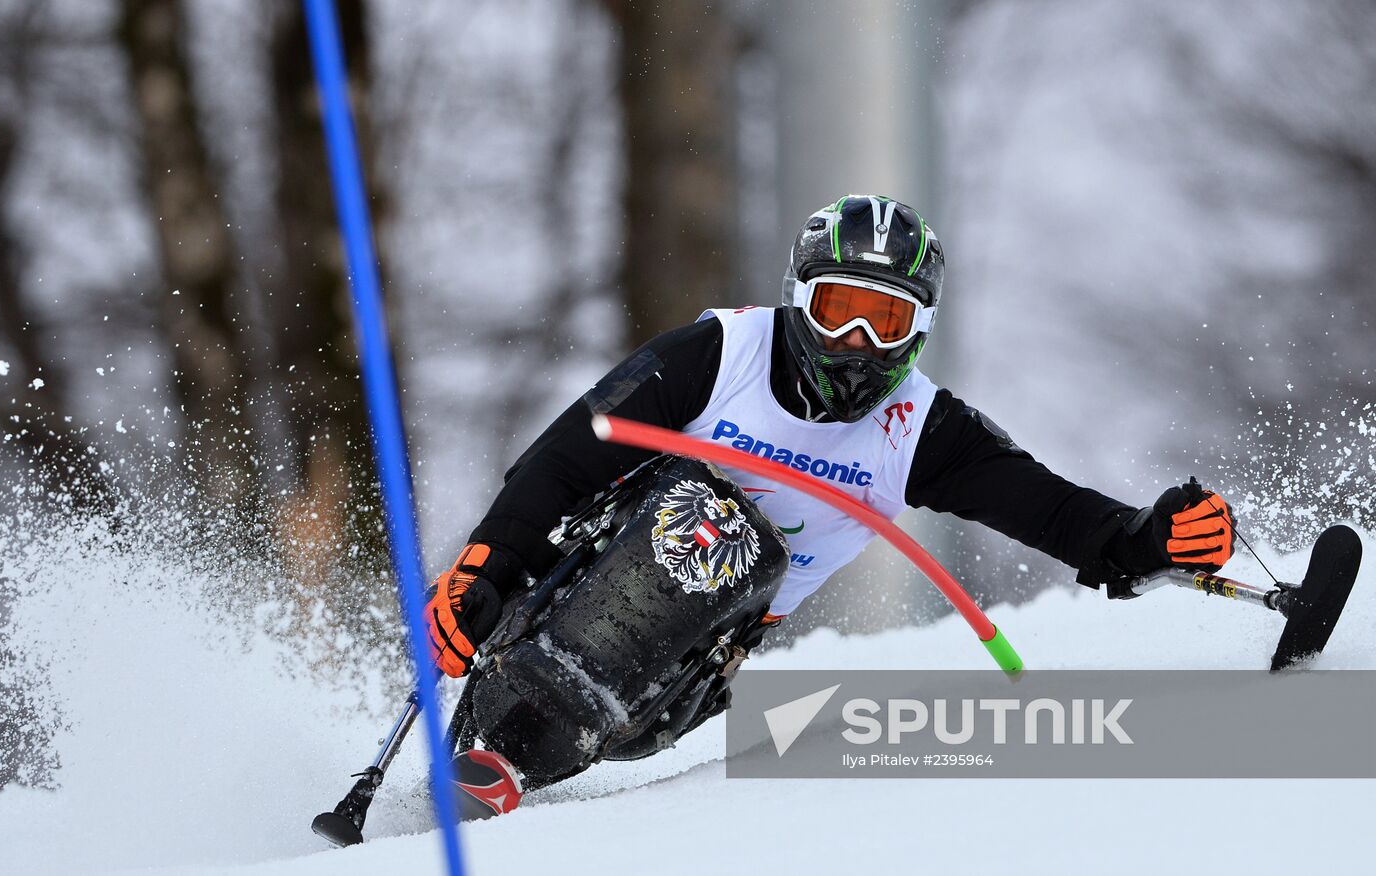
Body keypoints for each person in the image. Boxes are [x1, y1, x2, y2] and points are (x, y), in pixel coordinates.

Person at [426, 195, 1235, 814]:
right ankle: (506, 736)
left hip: (697, 661)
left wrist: (1151, 537)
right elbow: (566, 458)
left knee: (727, 540)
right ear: (798, 297)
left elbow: (1059, 515)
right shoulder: (717, 354)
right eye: (837, 308)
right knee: (704, 517)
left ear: (918, 333)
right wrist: (488, 563)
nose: (856, 343)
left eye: (886, 320)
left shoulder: (923, 429)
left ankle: (522, 747)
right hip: (585, 580)